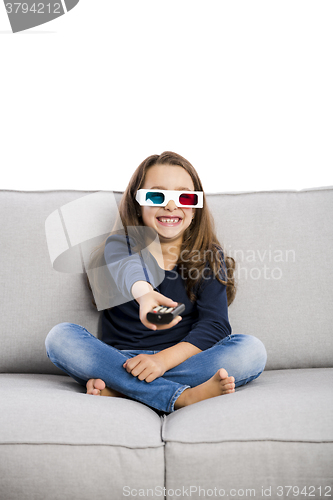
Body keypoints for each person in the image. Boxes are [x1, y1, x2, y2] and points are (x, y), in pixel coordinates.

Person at [45, 151, 267, 413]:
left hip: (182, 361)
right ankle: (179, 396)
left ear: (196, 209)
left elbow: (215, 325)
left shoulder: (208, 256)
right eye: (156, 196)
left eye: (184, 197)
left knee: (252, 350)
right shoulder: (118, 247)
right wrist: (144, 293)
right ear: (137, 205)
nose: (171, 206)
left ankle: (124, 389)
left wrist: (162, 362)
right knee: (59, 337)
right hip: (120, 360)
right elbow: (127, 269)